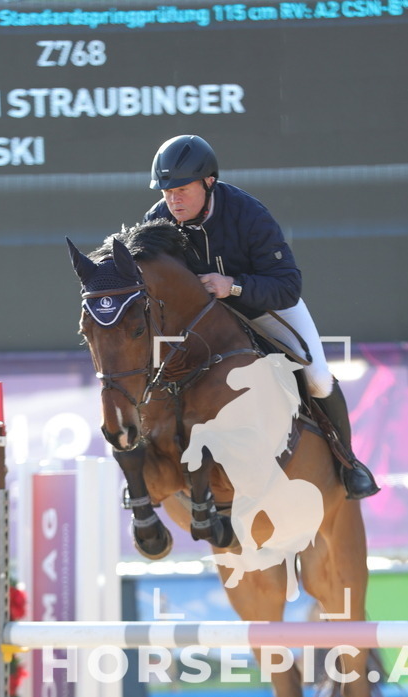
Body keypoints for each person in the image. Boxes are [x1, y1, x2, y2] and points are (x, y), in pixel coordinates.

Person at [144, 134, 378, 499]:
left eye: (182, 189)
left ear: (209, 182)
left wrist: (232, 287)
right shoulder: (157, 222)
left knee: (316, 377)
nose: (173, 199)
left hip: (261, 308)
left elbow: (288, 286)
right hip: (200, 325)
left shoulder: (247, 213)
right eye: (166, 191)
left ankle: (349, 463)